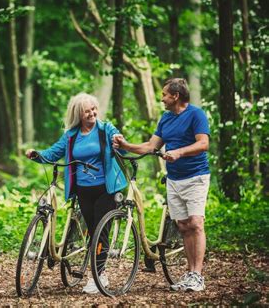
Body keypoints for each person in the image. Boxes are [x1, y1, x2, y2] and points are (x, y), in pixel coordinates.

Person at [113, 78, 210, 292]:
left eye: (165, 95)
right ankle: (190, 273)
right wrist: (125, 145)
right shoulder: (165, 119)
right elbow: (150, 146)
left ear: (175, 96)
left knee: (196, 223)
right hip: (174, 178)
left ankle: (197, 275)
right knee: (184, 226)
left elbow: (203, 143)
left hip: (196, 176)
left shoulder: (196, 114)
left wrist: (179, 151)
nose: (162, 99)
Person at [25, 93, 127, 294]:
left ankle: (99, 276)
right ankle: (98, 270)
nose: (92, 113)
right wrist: (36, 155)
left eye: (94, 109)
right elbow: (53, 153)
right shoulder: (71, 136)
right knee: (92, 230)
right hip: (83, 190)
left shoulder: (106, 129)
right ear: (78, 114)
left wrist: (120, 142)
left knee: (100, 230)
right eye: (87, 111)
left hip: (106, 189)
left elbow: (121, 147)